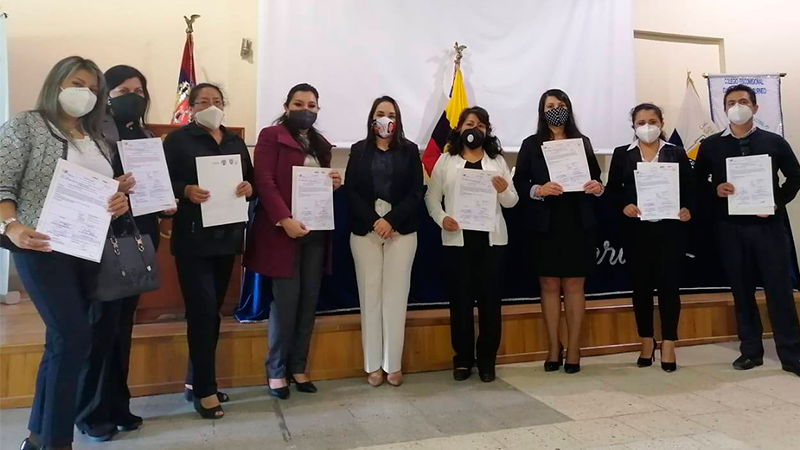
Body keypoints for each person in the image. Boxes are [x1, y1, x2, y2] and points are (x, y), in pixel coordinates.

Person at [0, 56, 129, 450]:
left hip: (88, 248)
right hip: (42, 246)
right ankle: (57, 442)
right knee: (72, 335)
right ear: (56, 83)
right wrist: (11, 226)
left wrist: (118, 199)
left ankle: (39, 438)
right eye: (77, 83)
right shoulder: (25, 125)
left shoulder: (97, 138)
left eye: (93, 88)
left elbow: (103, 191)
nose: (85, 93)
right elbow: (2, 182)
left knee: (65, 340)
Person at [73, 64, 173, 441]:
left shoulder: (145, 135)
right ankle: (89, 412)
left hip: (138, 236)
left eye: (139, 90)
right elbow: (75, 184)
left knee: (122, 327)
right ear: (105, 95)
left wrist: (165, 203)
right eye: (123, 91)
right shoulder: (89, 134)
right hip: (101, 239)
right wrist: (110, 186)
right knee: (100, 328)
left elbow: (151, 187)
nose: (134, 97)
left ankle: (117, 404)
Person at [244, 83, 342, 399]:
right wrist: (284, 219)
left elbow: (318, 185)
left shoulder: (320, 144)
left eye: (311, 106)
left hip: (315, 231)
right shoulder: (270, 136)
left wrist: (333, 182)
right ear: (286, 106)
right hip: (281, 232)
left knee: (308, 300)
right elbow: (264, 181)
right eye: (299, 104)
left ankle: (298, 366)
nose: (305, 110)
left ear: (318, 109)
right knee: (285, 303)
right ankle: (276, 370)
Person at [164, 83, 256, 419]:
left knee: (211, 312)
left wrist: (249, 186)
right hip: (193, 239)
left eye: (217, 101)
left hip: (227, 237)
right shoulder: (177, 140)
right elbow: (161, 183)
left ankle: (196, 380)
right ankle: (205, 390)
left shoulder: (234, 141)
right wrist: (185, 190)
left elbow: (251, 179)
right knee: (201, 311)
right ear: (191, 106)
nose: (211, 106)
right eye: (203, 101)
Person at [695, 84, 800, 376]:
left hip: (769, 227)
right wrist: (715, 189)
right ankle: (751, 351)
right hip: (730, 228)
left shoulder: (774, 141)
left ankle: (792, 354)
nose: (737, 107)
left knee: (779, 291)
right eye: (731, 102)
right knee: (741, 291)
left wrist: (777, 201)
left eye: (743, 101)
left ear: (755, 108)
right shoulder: (711, 145)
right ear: (724, 109)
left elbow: (795, 175)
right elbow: (696, 182)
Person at [425, 106, 518, 382]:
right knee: (460, 303)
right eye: (469, 124)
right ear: (459, 128)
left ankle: (487, 361)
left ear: (486, 131)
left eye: (480, 125)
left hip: (492, 243)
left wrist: (503, 190)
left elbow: (512, 201)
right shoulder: (446, 160)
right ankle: (463, 359)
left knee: (490, 304)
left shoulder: (496, 161)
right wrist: (442, 218)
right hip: (458, 242)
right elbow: (432, 198)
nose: (474, 129)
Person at [513, 89, 603, 374]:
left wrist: (597, 187)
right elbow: (519, 183)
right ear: (542, 111)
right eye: (550, 105)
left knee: (575, 285)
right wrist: (538, 190)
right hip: (545, 222)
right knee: (549, 285)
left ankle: (574, 347)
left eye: (561, 104)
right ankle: (554, 346)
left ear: (569, 108)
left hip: (577, 220)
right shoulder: (531, 144)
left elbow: (596, 178)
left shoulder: (582, 142)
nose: (556, 109)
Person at [607, 103, 694, 372]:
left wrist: (687, 209)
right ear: (633, 126)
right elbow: (613, 191)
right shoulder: (622, 154)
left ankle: (669, 343)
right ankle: (646, 340)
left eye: (652, 121)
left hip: (670, 230)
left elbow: (691, 190)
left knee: (669, 288)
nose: (647, 127)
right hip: (637, 231)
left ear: (661, 123)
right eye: (641, 122)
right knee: (641, 288)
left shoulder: (676, 152)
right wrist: (624, 205)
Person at [346, 96, 423, 387]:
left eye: (391, 114)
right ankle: (373, 365)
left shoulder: (410, 150)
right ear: (371, 118)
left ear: (398, 120)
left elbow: (416, 192)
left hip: (401, 231)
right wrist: (373, 221)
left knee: (395, 297)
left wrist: (391, 220)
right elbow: (351, 191)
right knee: (370, 297)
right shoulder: (358, 150)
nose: (385, 119)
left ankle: (393, 364)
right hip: (365, 231)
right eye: (380, 113)